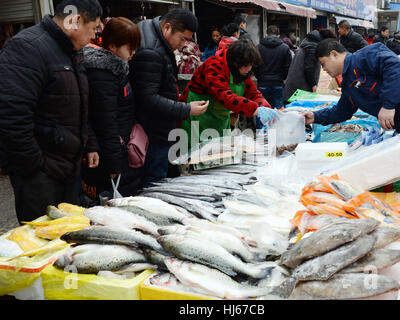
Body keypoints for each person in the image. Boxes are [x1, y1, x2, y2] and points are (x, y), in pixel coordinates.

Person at [0, 0, 102, 222]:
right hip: (40, 175)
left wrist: (89, 143)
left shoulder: (72, 51)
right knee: (42, 239)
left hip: (68, 168)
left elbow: (78, 104)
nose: (94, 36)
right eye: (93, 28)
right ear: (75, 21)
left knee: (67, 237)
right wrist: (35, 167)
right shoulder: (27, 47)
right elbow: (11, 115)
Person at [301, 39, 400, 159]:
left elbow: (395, 67)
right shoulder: (348, 86)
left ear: (334, 54)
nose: (324, 69)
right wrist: (314, 116)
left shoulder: (366, 55)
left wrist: (388, 105)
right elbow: (342, 111)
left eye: (323, 63)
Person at [129, 9, 208, 186]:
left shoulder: (149, 30)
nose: (183, 45)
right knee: (153, 185)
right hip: (153, 132)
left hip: (156, 128)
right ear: (167, 27)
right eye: (183, 39)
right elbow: (148, 98)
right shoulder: (152, 51)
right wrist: (186, 109)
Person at [81, 17, 142, 202]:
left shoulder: (117, 68)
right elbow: (105, 123)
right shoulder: (103, 75)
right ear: (113, 46)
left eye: (135, 47)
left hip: (116, 149)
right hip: (108, 157)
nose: (133, 53)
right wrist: (115, 165)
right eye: (129, 47)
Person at [179, 40, 277, 149]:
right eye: (246, 65)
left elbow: (253, 93)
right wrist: (255, 109)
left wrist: (265, 107)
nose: (249, 68)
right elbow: (226, 97)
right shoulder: (214, 65)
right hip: (198, 118)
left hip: (219, 119)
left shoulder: (242, 73)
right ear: (235, 62)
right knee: (196, 154)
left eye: (251, 65)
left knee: (220, 153)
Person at [284, 29, 337, 102]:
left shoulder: (310, 43)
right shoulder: (312, 46)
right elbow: (309, 68)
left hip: (296, 88)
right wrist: (314, 86)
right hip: (299, 90)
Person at [254, 25, 292, 112]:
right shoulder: (285, 48)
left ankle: (261, 126)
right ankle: (277, 126)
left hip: (263, 83)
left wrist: (259, 77)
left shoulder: (258, 47)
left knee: (262, 110)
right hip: (278, 83)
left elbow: (255, 66)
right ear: (278, 35)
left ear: (266, 34)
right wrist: (283, 78)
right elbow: (288, 67)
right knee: (278, 111)